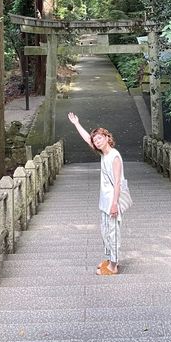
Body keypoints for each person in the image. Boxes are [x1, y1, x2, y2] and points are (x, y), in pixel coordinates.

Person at [67, 111, 123, 275]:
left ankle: (113, 266)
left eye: (99, 138)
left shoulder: (114, 156)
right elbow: (88, 139)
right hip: (105, 201)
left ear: (107, 137)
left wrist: (114, 204)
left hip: (112, 201)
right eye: (95, 140)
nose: (97, 142)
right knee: (105, 231)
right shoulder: (104, 154)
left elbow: (118, 182)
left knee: (113, 233)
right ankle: (110, 259)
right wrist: (77, 124)